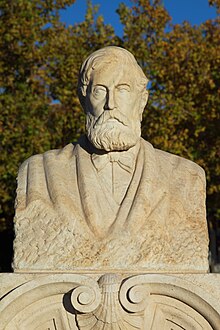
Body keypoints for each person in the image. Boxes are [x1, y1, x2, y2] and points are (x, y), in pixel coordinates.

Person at [13, 46, 209, 272]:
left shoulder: (185, 176)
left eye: (122, 90)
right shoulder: (39, 172)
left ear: (142, 99)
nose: (111, 103)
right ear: (83, 99)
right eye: (99, 91)